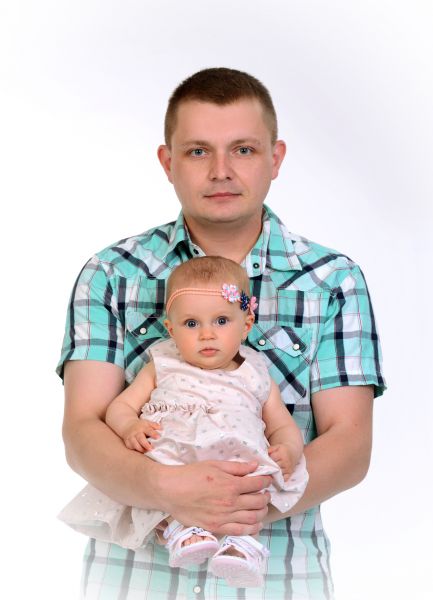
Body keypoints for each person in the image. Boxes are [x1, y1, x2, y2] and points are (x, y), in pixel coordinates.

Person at [58, 67, 386, 599]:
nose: (221, 171)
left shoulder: (332, 281)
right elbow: (82, 431)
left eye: (243, 150)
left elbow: (349, 444)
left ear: (275, 158)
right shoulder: (112, 274)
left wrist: (230, 508)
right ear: (168, 162)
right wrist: (165, 489)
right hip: (133, 581)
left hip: (280, 581)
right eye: (197, 151)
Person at [58, 256, 309, 588]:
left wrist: (289, 448)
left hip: (236, 461)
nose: (207, 334)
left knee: (255, 481)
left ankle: (242, 545)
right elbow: (121, 407)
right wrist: (130, 427)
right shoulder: (162, 362)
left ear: (246, 323)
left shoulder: (256, 371)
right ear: (171, 328)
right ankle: (179, 530)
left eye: (221, 321)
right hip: (173, 455)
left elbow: (281, 425)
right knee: (157, 467)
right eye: (191, 324)